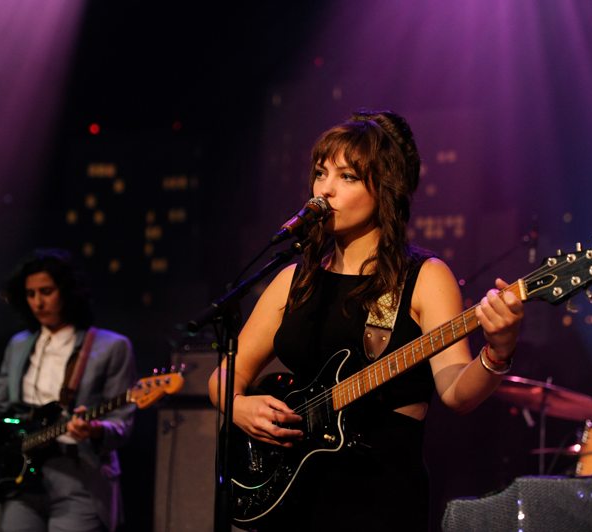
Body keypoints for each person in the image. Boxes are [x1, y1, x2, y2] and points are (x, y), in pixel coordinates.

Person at [208, 110, 524, 531]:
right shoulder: (293, 280)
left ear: (386, 190)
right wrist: (239, 406)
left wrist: (498, 351)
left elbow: (455, 393)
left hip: (378, 495)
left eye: (348, 177)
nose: (326, 189)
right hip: (290, 494)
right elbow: (225, 375)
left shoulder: (425, 277)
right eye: (321, 173)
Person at [0, 249, 138, 532]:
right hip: (21, 478)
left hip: (79, 476)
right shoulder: (19, 344)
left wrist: (95, 429)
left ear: (67, 292)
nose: (38, 302)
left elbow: (122, 426)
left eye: (46, 291)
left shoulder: (112, 347)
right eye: (30, 294)